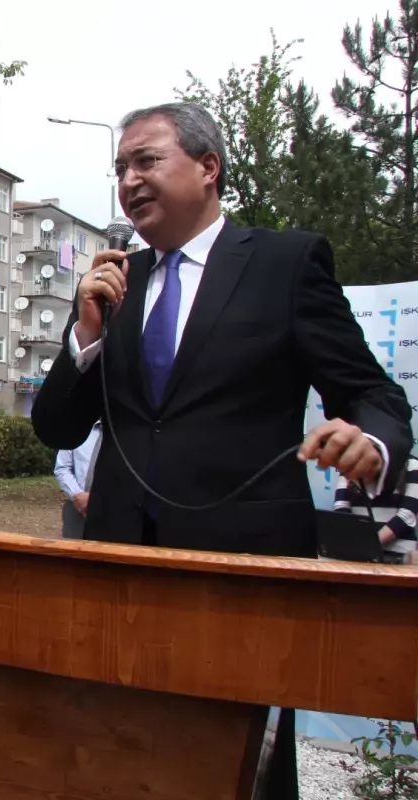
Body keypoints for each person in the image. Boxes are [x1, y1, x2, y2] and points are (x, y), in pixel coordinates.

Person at [31, 102, 412, 800]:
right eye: (120, 168)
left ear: (208, 168)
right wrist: (84, 334)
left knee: (243, 777)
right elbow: (56, 427)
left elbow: (374, 395)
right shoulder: (119, 285)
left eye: (146, 160)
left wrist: (371, 442)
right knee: (125, 762)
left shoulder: (284, 263)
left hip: (242, 581)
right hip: (123, 574)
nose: (128, 180)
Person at [333, 456, 418, 561]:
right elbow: (341, 507)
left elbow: (407, 516)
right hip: (357, 554)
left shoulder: (412, 465)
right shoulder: (351, 465)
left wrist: (369, 545)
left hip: (398, 557)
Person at [54, 420, 103, 539]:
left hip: (113, 513)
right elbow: (62, 467)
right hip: (76, 510)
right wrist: (79, 496)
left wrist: (99, 500)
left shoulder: (129, 431)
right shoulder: (77, 428)